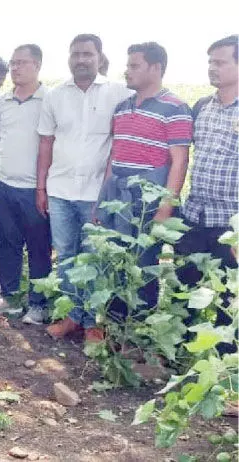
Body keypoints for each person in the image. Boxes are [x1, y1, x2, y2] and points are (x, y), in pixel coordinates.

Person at [36, 33, 133, 343]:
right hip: (60, 190)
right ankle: (71, 317)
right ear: (68, 57)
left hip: (95, 194)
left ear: (99, 57)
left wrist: (106, 194)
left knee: (93, 258)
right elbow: (46, 144)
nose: (80, 59)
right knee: (65, 255)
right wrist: (41, 188)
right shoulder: (55, 95)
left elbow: (118, 146)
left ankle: (93, 321)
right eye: (75, 54)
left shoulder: (119, 93)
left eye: (87, 54)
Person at [97, 42, 192, 319]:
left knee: (142, 267)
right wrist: (102, 200)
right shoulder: (122, 107)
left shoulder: (175, 108)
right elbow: (114, 157)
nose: (127, 71)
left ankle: (138, 334)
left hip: (146, 202)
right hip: (117, 197)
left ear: (156, 68)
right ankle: (115, 326)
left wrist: (165, 208)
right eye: (127, 66)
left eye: (134, 66)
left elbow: (179, 161)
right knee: (115, 260)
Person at [0, 44, 52, 325]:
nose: (15, 68)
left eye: (22, 62)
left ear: (37, 65)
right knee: (7, 244)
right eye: (13, 63)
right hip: (5, 183)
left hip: (35, 187)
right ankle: (9, 297)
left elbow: (51, 142)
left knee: (38, 247)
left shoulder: (49, 99)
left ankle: (38, 303)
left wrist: (42, 186)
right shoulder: (3, 101)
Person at [175, 35, 238, 354]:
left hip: (231, 226)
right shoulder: (201, 106)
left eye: (221, 62)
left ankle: (226, 371)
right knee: (184, 286)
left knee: (230, 298)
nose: (212, 68)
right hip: (195, 217)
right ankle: (182, 354)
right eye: (210, 62)